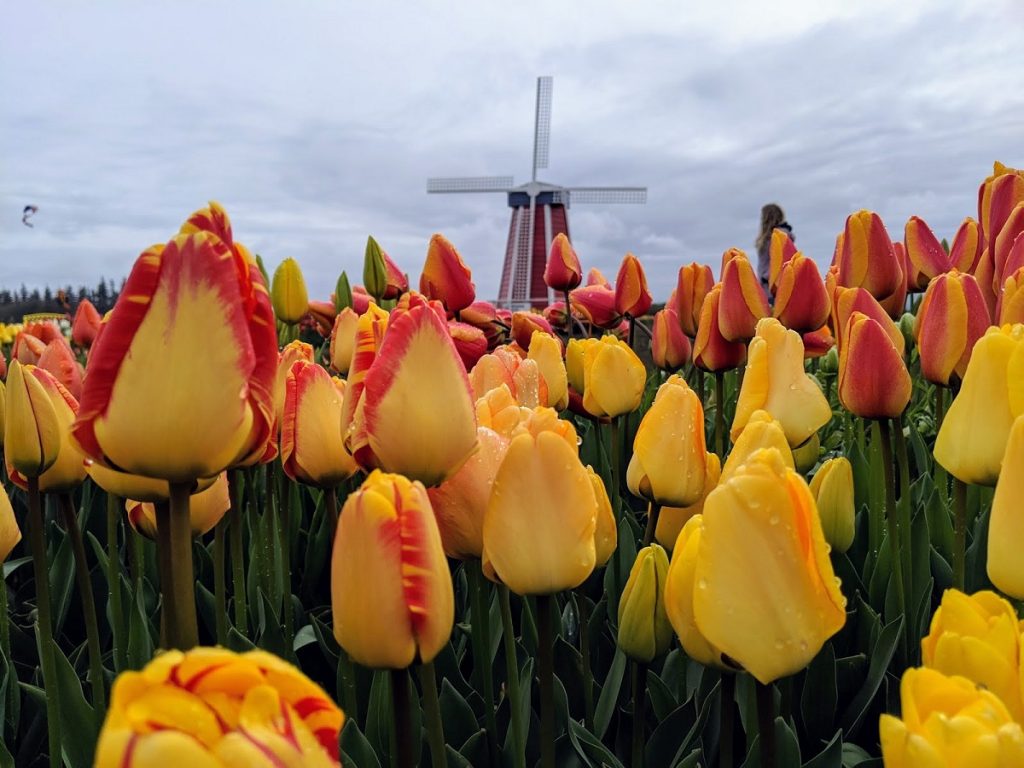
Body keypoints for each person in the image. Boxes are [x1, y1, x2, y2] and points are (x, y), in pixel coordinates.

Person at [755, 203, 794, 293]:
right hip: (766, 284)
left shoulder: (779, 236)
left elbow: (783, 261)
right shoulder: (768, 237)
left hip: (773, 287)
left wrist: (767, 278)